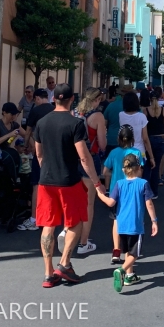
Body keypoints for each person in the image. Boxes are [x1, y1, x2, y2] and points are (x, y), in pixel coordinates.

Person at [34, 83, 104, 288]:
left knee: (48, 225)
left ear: (53, 98)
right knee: (75, 222)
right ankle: (64, 263)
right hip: (69, 180)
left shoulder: (42, 122)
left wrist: (48, 170)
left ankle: (48, 273)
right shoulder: (75, 124)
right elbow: (84, 157)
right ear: (72, 99)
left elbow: (39, 154)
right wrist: (96, 182)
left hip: (46, 181)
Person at [96, 154, 158, 292]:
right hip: (135, 225)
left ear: (124, 170)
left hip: (121, 224)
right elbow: (149, 204)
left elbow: (111, 202)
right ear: (138, 168)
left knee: (128, 251)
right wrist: (154, 221)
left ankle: (130, 276)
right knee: (134, 254)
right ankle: (122, 270)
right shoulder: (143, 184)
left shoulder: (119, 184)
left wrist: (100, 194)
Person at [72, 88, 107, 255]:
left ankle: (69, 235)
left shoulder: (74, 113)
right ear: (97, 99)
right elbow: (102, 144)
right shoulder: (97, 116)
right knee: (88, 204)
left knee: (73, 201)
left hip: (73, 160)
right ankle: (83, 242)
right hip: (90, 158)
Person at [103, 125, 143, 264]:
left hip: (116, 189)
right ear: (132, 139)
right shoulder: (136, 153)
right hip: (132, 191)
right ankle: (130, 250)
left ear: (118, 138)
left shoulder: (114, 152)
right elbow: (140, 173)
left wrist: (114, 174)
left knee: (116, 219)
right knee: (132, 218)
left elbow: (105, 172)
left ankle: (116, 249)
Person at [19, 88, 52, 232]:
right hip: (55, 152)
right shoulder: (55, 109)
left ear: (37, 98)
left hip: (41, 151)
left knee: (37, 185)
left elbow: (28, 131)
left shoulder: (35, 111)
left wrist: (26, 146)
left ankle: (34, 218)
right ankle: (50, 216)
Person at [141, 89, 164, 197]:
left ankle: (145, 191)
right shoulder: (163, 110)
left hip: (149, 139)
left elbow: (144, 126)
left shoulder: (146, 111)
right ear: (158, 98)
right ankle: (154, 192)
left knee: (147, 166)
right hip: (161, 139)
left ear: (149, 99)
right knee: (156, 166)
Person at [119, 91, 154, 174]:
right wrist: (151, 157)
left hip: (125, 150)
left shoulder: (121, 115)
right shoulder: (141, 116)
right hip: (140, 151)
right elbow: (145, 138)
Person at [103, 85, 129, 156]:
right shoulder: (134, 108)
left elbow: (104, 124)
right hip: (127, 140)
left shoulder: (111, 105)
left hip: (111, 138)